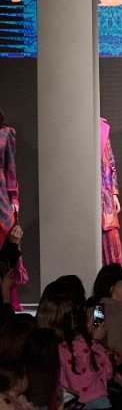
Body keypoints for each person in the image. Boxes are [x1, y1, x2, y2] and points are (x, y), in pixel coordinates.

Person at [0, 106, 28, 311]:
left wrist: (14, 199)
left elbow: (11, 168)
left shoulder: (6, 134)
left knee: (8, 240)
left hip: (1, 195)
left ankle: (9, 295)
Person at [100, 117, 122, 266]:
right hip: (81, 192)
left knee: (110, 235)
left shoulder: (101, 128)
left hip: (104, 195)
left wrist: (114, 193)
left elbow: (109, 162)